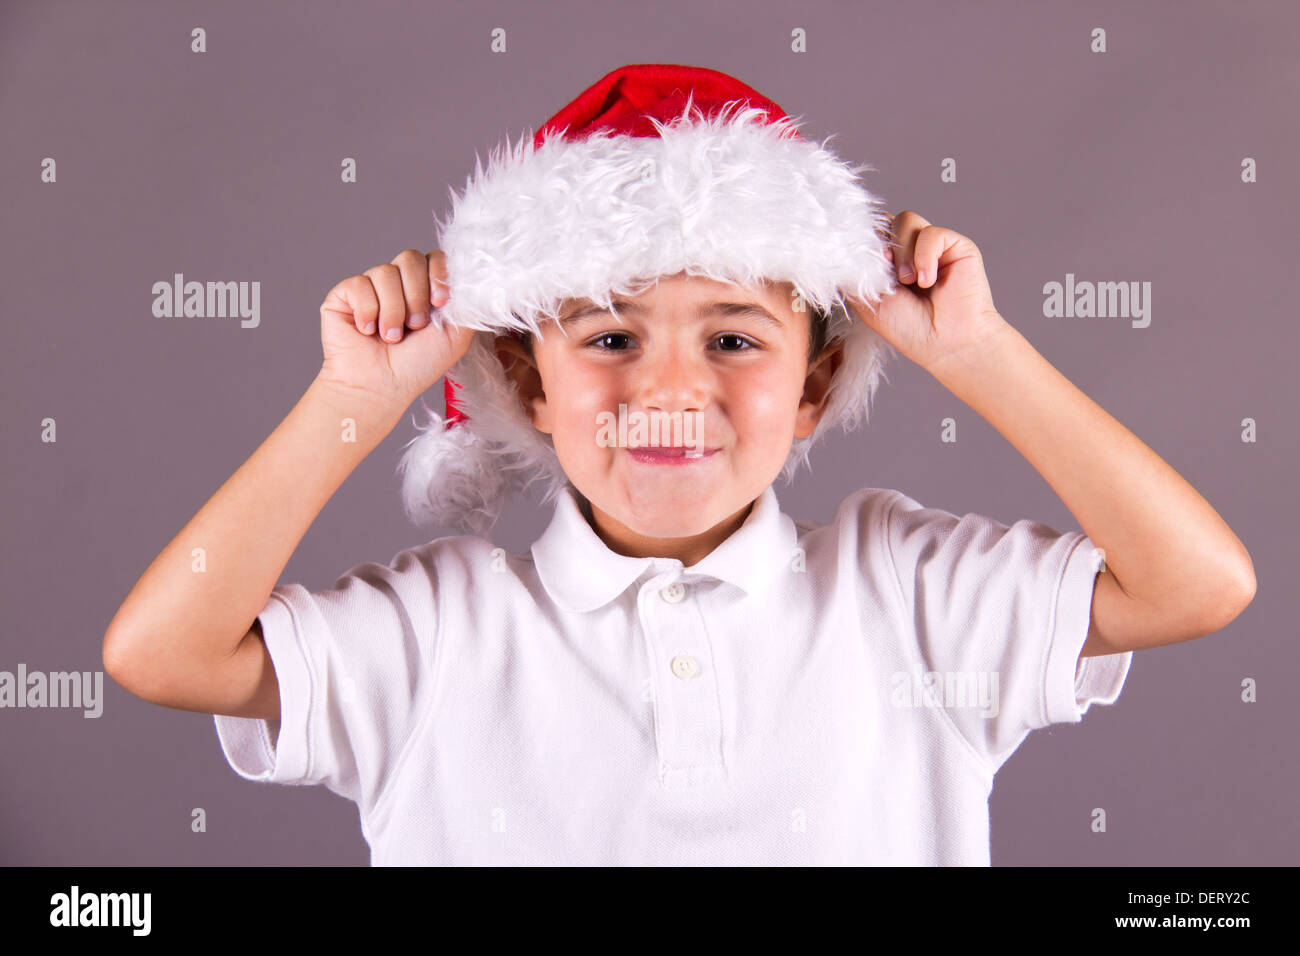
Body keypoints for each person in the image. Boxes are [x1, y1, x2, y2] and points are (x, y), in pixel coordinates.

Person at [102, 64, 1256, 865]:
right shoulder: (436, 630)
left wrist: (982, 353)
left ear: (811, 387)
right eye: (607, 336)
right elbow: (161, 651)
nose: (667, 389)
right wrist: (352, 400)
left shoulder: (907, 595)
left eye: (734, 337)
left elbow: (1197, 581)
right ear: (529, 382)